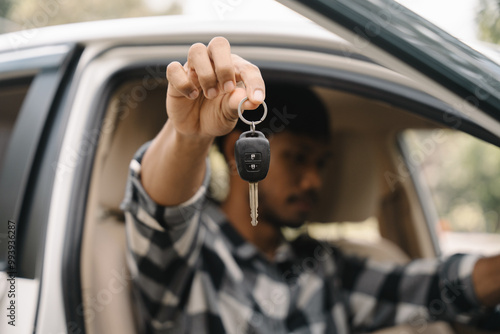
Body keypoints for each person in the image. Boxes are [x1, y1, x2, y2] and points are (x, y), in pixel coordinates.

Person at [121, 37, 500, 333]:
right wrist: (189, 138)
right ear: (240, 152)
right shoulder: (193, 255)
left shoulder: (324, 266)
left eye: (321, 163)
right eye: (297, 157)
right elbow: (160, 217)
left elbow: (434, 286)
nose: (314, 180)